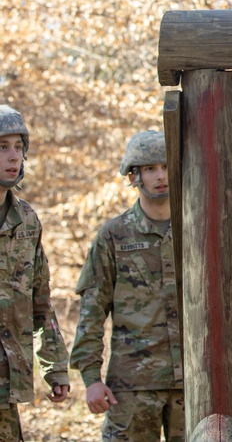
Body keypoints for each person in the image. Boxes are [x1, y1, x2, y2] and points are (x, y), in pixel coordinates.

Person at [70, 130, 184, 441]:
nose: (160, 176)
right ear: (134, 176)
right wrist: (91, 378)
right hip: (132, 386)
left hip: (193, 384)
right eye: (149, 169)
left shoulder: (197, 226)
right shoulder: (114, 235)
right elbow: (92, 311)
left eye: (164, 166)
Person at [0, 104, 70, 441]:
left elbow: (40, 303)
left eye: (18, 147)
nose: (13, 157)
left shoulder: (26, 220)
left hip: (6, 385)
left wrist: (55, 367)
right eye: (2, 147)